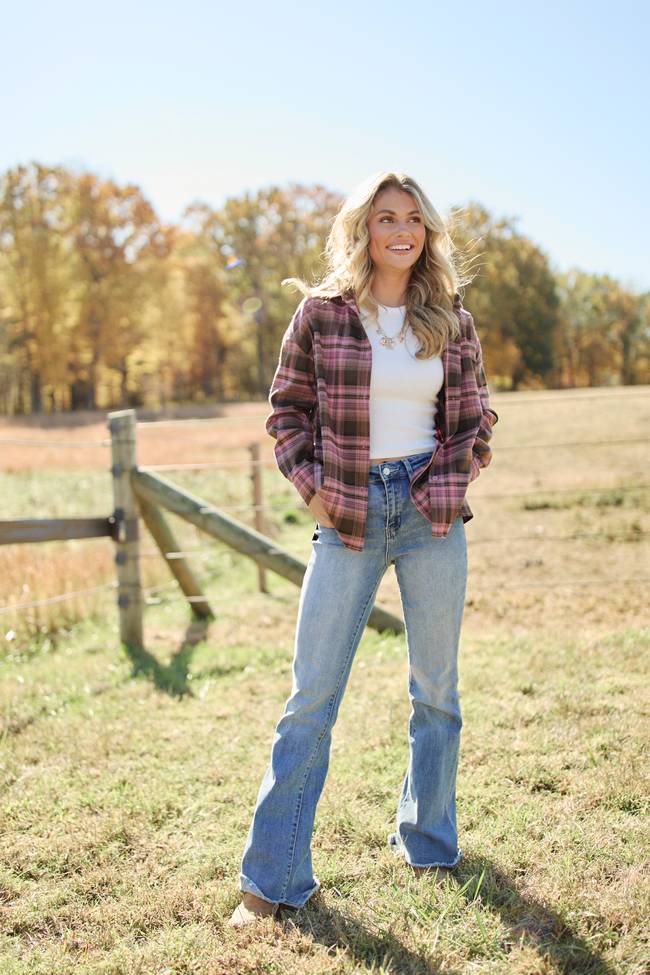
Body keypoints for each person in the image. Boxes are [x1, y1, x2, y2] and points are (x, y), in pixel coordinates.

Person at [229, 172, 497, 927]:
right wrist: (315, 493)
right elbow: (286, 412)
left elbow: (476, 420)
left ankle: (429, 839)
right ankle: (271, 881)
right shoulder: (320, 315)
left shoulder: (452, 319)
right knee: (310, 701)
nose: (402, 230)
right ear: (365, 229)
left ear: (428, 232)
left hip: (428, 512)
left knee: (436, 691)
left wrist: (441, 488)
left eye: (414, 218)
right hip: (344, 511)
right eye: (387, 218)